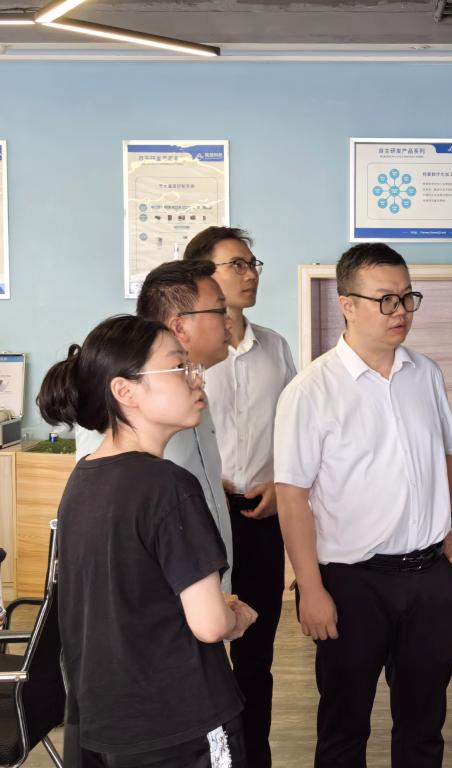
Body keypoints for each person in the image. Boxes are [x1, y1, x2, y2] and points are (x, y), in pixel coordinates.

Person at [274, 243, 452, 768]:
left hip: (428, 578)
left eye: (407, 298)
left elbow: (449, 452)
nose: (400, 311)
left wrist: (446, 523)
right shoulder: (310, 391)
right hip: (351, 582)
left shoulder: (426, 374)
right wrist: (311, 588)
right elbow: (292, 496)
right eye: (385, 300)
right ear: (347, 304)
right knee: (344, 725)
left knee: (424, 722)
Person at [38, 314, 258, 767]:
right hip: (181, 721)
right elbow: (210, 625)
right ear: (125, 391)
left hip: (110, 723)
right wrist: (235, 616)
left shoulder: (83, 478)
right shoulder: (169, 486)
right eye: (178, 366)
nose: (197, 378)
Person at [184, 226, 297, 768]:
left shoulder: (274, 347)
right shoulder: (182, 353)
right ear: (202, 276)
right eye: (236, 265)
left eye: (253, 264)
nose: (250, 274)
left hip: (260, 514)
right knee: (197, 647)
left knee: (256, 653)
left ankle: (254, 757)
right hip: (199, 518)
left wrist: (281, 483)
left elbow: (296, 428)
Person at [75, 260, 234, 590]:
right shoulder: (120, 407)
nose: (229, 320)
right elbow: (106, 519)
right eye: (220, 310)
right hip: (159, 602)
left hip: (202, 589)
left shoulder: (192, 399)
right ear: (179, 326)